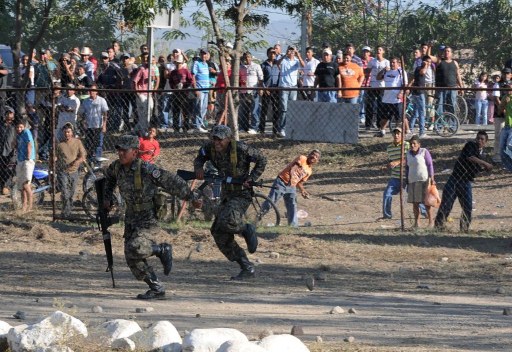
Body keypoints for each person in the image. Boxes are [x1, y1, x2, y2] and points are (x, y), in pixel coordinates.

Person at [103, 134, 200, 299]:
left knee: (135, 247)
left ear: (135, 152)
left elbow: (171, 182)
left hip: (148, 218)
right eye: (119, 150)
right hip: (131, 217)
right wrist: (108, 197)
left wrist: (191, 197)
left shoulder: (146, 169)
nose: (120, 154)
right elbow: (109, 179)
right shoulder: (116, 167)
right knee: (131, 257)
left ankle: (162, 249)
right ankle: (156, 287)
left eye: (124, 151)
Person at [193, 125, 267, 280]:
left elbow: (262, 159)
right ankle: (246, 267)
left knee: (229, 220)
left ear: (229, 139)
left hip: (241, 194)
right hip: (226, 194)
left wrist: (252, 178)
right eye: (214, 138)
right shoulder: (209, 148)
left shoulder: (241, 149)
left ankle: (247, 229)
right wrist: (198, 167)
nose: (217, 142)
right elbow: (199, 157)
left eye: (220, 139)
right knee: (218, 231)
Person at [434, 131, 493, 232]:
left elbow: (477, 168)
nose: (479, 141)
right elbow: (470, 157)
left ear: (486, 142)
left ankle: (464, 229)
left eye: (482, 139)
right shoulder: (470, 145)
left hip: (466, 182)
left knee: (467, 207)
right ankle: (438, 228)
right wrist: (485, 164)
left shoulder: (483, 154)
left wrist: (485, 167)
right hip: (455, 179)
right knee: (446, 205)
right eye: (478, 138)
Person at [262, 150, 320, 227]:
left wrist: (302, 190)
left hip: (291, 186)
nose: (313, 156)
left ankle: (293, 226)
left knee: (292, 205)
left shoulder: (309, 171)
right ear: (309, 154)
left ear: (317, 160)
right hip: (282, 181)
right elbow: (293, 168)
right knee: (271, 201)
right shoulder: (302, 158)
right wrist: (292, 180)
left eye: (316, 156)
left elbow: (299, 182)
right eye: (312, 154)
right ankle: (256, 218)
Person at [55, 123, 86, 218]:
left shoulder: (77, 142)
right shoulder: (59, 144)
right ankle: (66, 212)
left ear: (72, 133)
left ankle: (68, 209)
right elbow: (55, 156)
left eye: (68, 132)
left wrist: (78, 161)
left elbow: (83, 155)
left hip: (74, 171)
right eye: (65, 132)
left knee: (71, 192)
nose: (66, 134)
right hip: (62, 171)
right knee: (65, 192)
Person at [405, 135, 435, 228]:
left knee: (427, 203)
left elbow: (430, 165)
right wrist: (406, 178)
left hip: (424, 180)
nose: (412, 145)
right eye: (411, 144)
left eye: (414, 143)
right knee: (415, 203)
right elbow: (407, 167)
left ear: (419, 144)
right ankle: (416, 223)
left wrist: (432, 177)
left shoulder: (424, 152)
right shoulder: (408, 154)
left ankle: (431, 222)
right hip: (412, 180)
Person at [15, 119, 36, 212]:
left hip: (27, 160)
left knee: (26, 184)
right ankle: (24, 205)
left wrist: (28, 155)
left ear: (24, 127)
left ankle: (30, 206)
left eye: (21, 127)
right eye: (18, 127)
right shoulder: (18, 135)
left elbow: (29, 143)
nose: (19, 129)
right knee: (21, 186)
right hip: (20, 160)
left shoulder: (26, 132)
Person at [0, 107, 16, 195]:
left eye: (11, 113)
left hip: (11, 152)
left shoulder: (15, 126)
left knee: (10, 170)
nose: (9, 115)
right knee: (2, 169)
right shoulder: (1, 125)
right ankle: (2, 186)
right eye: (7, 113)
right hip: (2, 151)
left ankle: (6, 186)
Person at [497, 85, 512, 171]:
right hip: (506, 126)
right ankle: (508, 167)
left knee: (509, 146)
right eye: (506, 89)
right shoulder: (505, 98)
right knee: (502, 149)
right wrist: (503, 104)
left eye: (510, 88)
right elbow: (499, 112)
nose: (508, 90)